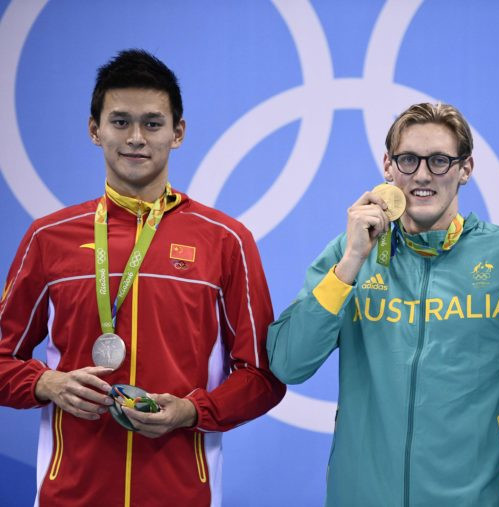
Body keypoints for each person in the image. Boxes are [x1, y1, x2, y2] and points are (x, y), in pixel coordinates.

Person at [0, 49, 285, 506]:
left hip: (181, 493)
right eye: (120, 122)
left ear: (178, 133)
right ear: (94, 131)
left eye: (152, 123)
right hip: (69, 494)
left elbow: (263, 377)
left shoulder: (226, 240)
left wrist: (192, 411)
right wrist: (46, 383)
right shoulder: (47, 238)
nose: (136, 138)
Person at [267, 102, 499, 506]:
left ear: (466, 168)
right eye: (409, 160)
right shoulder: (350, 253)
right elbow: (289, 362)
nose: (423, 175)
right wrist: (350, 264)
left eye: (440, 161)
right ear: (388, 166)